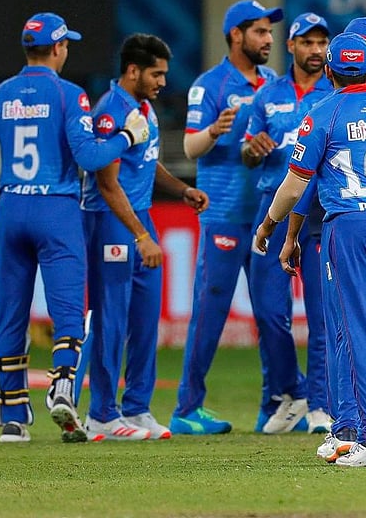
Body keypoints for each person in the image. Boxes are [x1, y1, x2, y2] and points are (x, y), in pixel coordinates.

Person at [0, 12, 150, 443]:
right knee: (68, 312)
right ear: (60, 48)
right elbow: (89, 158)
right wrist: (127, 137)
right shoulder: (69, 95)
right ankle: (62, 388)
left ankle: (12, 420)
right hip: (57, 210)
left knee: (9, 315)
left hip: (11, 210)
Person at [256, 32, 366, 467]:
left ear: (331, 70)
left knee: (354, 332)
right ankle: (345, 429)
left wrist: (270, 224)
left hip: (348, 225)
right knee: (355, 329)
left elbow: (296, 184)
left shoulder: (323, 114)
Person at [81, 34, 209, 441]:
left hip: (140, 220)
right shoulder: (110, 112)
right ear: (133, 71)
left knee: (143, 319)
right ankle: (101, 413)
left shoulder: (144, 109)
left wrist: (181, 190)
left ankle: (136, 408)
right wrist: (140, 235)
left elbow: (147, 162)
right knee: (112, 320)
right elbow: (107, 183)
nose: (162, 82)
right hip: (112, 222)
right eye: (156, 74)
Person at [171, 0, 283, 435]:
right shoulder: (210, 84)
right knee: (211, 310)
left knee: (271, 315)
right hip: (223, 213)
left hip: (266, 216)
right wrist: (213, 131)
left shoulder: (275, 83)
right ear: (235, 35)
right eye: (259, 31)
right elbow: (190, 148)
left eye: (270, 32)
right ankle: (187, 408)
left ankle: (273, 406)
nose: (268, 39)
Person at [240, 12, 333, 434]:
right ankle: (291, 392)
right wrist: (254, 150)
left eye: (321, 43)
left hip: (318, 211)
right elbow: (246, 152)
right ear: (291, 46)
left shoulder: (336, 91)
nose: (315, 50)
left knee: (320, 312)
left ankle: (319, 404)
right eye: (307, 43)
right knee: (269, 313)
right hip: (271, 209)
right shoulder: (267, 94)